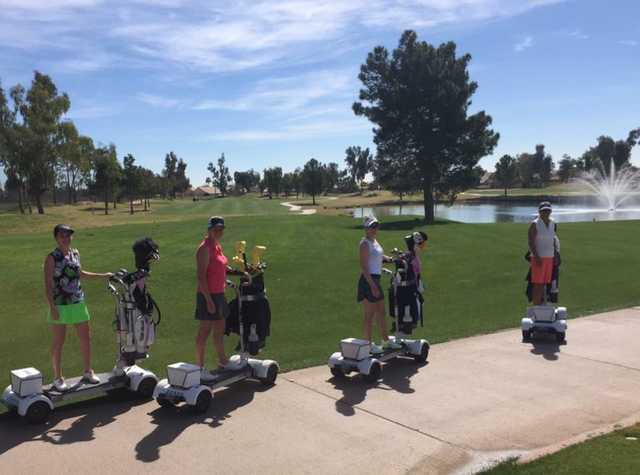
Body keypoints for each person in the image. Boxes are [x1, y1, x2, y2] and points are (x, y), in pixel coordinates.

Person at [44, 224, 113, 391]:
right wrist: (52, 307)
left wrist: (103, 276)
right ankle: (57, 377)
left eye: (68, 235)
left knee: (86, 338)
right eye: (62, 235)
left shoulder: (75, 253)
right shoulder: (52, 257)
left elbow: (80, 274)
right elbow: (48, 284)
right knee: (59, 342)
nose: (66, 238)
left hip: (78, 302)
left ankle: (88, 371)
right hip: (60, 305)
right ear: (56, 238)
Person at [194, 216, 247, 380]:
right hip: (207, 295)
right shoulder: (204, 248)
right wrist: (209, 300)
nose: (219, 232)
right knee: (204, 332)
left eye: (221, 229)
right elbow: (201, 277)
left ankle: (223, 361)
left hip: (219, 293)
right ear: (209, 229)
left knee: (219, 330)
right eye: (216, 229)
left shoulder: (217, 246)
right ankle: (199, 368)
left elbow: (223, 267)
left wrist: (241, 273)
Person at [357, 216, 401, 354]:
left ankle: (386, 341)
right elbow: (364, 267)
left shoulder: (374, 241)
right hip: (368, 280)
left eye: (376, 226)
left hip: (375, 280)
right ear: (366, 228)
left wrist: (389, 259)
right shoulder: (364, 244)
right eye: (372, 226)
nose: (375, 229)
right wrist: (373, 286)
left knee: (381, 312)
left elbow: (378, 256)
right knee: (369, 315)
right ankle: (368, 345)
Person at [527, 202, 559, 305]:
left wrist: (555, 255)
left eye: (548, 210)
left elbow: (553, 240)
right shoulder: (535, 224)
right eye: (544, 210)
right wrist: (536, 257)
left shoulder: (553, 223)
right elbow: (531, 242)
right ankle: (536, 307)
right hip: (539, 258)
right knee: (537, 284)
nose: (546, 212)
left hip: (549, 257)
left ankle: (542, 305)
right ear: (539, 211)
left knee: (545, 283)